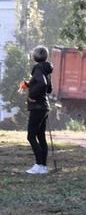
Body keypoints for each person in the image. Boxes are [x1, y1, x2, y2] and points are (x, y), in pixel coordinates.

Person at [22, 45, 53, 175]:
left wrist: (31, 95)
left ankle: (39, 164)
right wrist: (29, 84)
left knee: (30, 136)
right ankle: (43, 167)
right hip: (44, 107)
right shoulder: (46, 69)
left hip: (38, 107)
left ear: (35, 57)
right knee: (40, 137)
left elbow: (43, 84)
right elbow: (49, 89)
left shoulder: (38, 68)